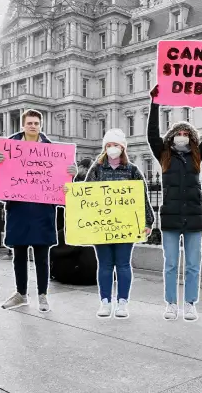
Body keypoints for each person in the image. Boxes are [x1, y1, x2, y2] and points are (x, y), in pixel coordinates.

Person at [147, 85, 202, 321]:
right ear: (172, 137)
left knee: (193, 265)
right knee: (170, 264)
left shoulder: (197, 154)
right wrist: (155, 102)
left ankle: (189, 303)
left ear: (192, 137)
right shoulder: (163, 154)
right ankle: (170, 303)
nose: (182, 136)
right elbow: (152, 133)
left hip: (195, 216)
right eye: (179, 133)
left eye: (187, 134)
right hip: (170, 218)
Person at [0, 109, 77, 312]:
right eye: (29, 123)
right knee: (18, 254)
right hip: (18, 209)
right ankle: (21, 294)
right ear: (23, 125)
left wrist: (71, 173)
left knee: (42, 255)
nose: (33, 126)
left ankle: (43, 295)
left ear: (41, 125)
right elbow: (1, 174)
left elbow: (62, 182)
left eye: (36, 123)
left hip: (42, 210)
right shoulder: (9, 147)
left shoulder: (52, 151)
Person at [65, 129, 154, 318]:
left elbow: (142, 197)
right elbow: (86, 195)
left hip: (126, 226)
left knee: (123, 264)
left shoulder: (132, 170)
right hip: (101, 226)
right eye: (109, 145)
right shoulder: (96, 169)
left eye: (116, 145)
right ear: (105, 147)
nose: (112, 148)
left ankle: (122, 302)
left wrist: (148, 221)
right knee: (104, 264)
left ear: (123, 148)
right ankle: (105, 301)